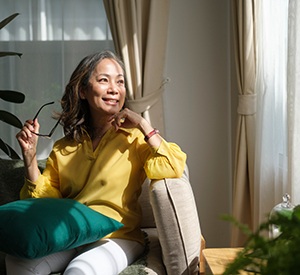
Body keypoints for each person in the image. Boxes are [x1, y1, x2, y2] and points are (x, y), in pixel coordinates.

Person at [7, 50, 186, 275]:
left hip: (117, 237)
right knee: (17, 263)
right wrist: (30, 156)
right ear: (82, 91)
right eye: (104, 80)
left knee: (80, 271)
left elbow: (173, 166)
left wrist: (143, 124)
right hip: (73, 232)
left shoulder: (135, 139)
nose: (114, 89)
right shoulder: (64, 147)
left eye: (120, 82)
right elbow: (46, 203)